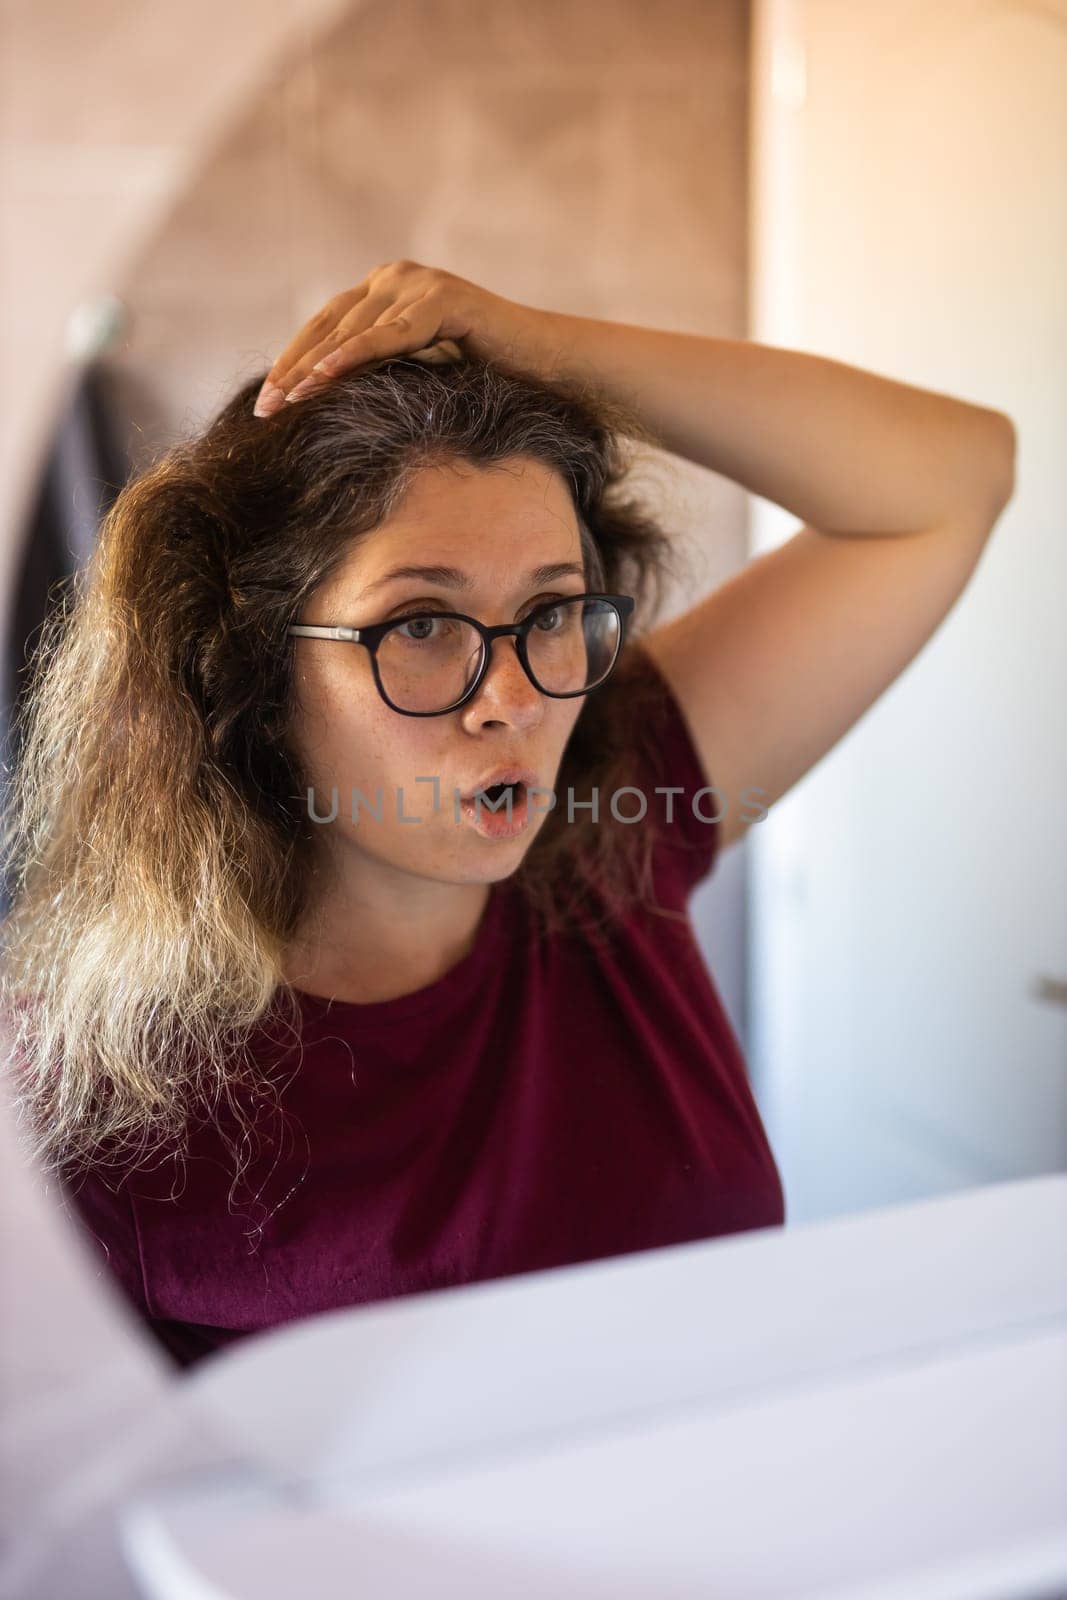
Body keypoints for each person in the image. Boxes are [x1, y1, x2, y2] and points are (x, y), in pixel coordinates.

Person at [0, 262, 1014, 1371]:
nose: (518, 698)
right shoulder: (81, 1096)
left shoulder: (616, 817)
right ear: (249, 671)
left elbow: (952, 477)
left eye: (549, 609)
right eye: (422, 623)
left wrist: (534, 344)